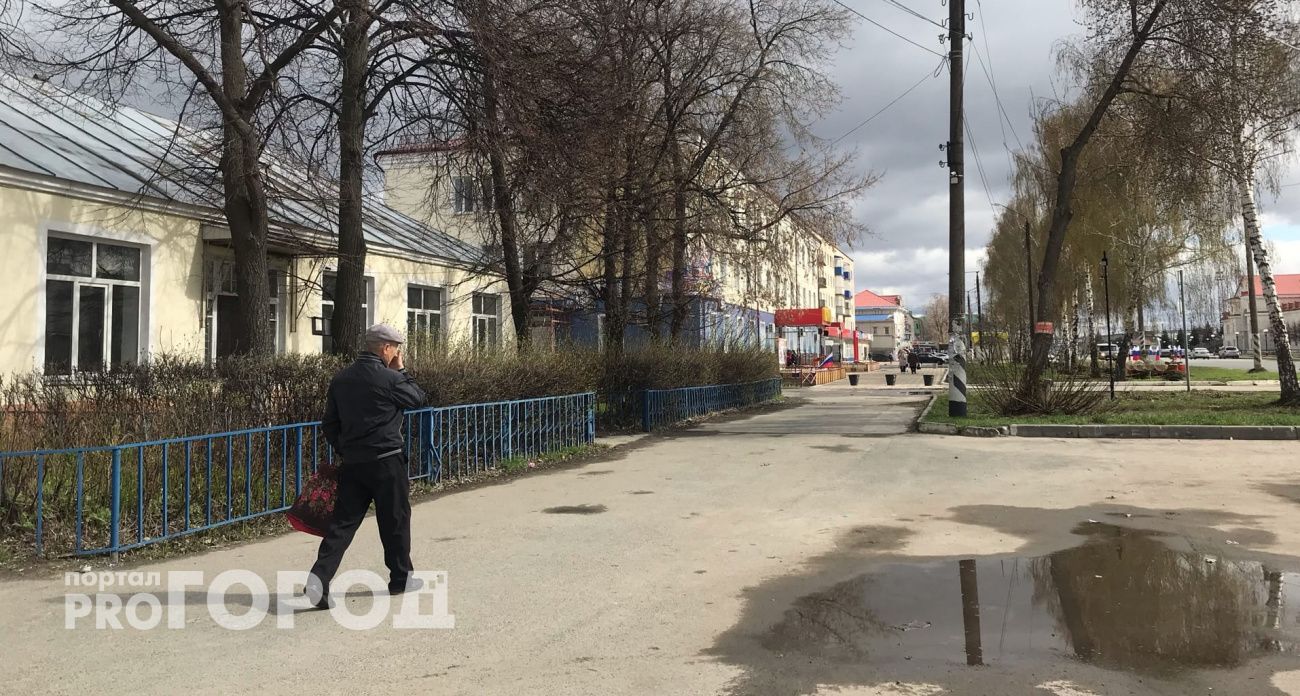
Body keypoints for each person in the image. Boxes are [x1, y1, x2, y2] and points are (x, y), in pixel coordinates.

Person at [305, 324, 427, 608]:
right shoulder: (390, 378)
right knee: (394, 520)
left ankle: (318, 579)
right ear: (385, 348)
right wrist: (401, 371)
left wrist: (345, 448)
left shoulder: (341, 379)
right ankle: (401, 579)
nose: (397, 353)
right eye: (396, 348)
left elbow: (330, 424)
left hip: (354, 464)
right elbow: (418, 398)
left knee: (342, 524)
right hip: (387, 461)